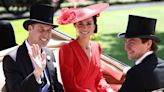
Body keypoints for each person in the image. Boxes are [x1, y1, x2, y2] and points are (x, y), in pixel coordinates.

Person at [3, 4, 64, 92]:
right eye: (41, 29)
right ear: (30, 28)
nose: (46, 35)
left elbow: (55, 86)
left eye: (49, 30)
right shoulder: (12, 59)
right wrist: (37, 73)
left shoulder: (49, 54)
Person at [57, 3, 115, 92]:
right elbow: (69, 86)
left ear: (94, 26)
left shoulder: (97, 47)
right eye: (80, 24)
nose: (85, 28)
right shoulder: (67, 49)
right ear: (75, 26)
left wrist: (107, 89)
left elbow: (98, 77)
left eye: (89, 24)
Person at [118, 15, 164, 92]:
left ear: (148, 44)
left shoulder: (136, 74)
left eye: (132, 42)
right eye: (126, 42)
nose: (126, 47)